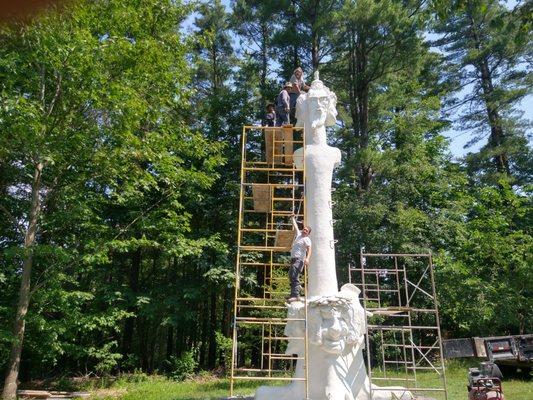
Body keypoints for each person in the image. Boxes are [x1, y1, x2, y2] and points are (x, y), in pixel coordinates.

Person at [287, 214, 312, 301]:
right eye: (304, 229)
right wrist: (292, 218)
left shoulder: (307, 239)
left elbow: (309, 249)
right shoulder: (298, 235)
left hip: (299, 260)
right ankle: (294, 292)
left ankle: (295, 295)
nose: (304, 231)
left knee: (294, 276)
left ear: (308, 233)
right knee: (291, 276)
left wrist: (307, 258)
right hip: (293, 260)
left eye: (306, 230)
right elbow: (296, 226)